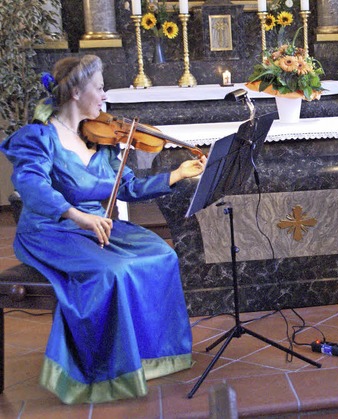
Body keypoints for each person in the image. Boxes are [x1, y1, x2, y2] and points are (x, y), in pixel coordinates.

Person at [0, 55, 207, 404]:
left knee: (163, 254)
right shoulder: (36, 138)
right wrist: (77, 216)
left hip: (97, 226)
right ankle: (101, 370)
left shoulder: (104, 140)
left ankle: (150, 357)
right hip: (51, 230)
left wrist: (177, 174)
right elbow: (33, 187)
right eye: (99, 87)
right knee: (109, 272)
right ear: (77, 91)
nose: (105, 95)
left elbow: (128, 187)